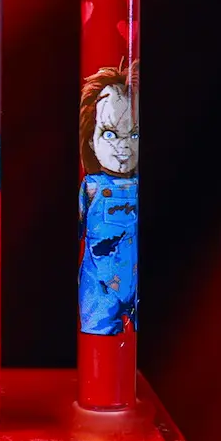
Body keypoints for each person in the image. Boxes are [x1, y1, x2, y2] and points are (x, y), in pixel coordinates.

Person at [77, 64, 137, 343]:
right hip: (99, 285)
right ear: (91, 139)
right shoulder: (91, 187)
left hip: (138, 279)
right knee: (98, 346)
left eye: (134, 134)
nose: (123, 147)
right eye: (110, 134)